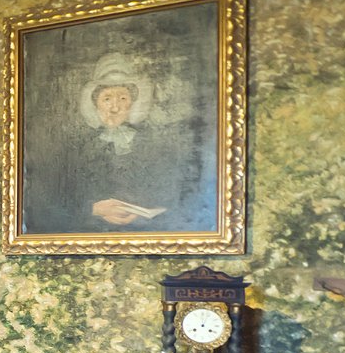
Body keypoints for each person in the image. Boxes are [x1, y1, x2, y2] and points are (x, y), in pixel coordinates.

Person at [23, 53, 215, 235]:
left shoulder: (156, 146)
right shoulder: (76, 150)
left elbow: (180, 198)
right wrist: (92, 210)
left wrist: (141, 212)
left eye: (123, 98)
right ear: (95, 103)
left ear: (133, 103)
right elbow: (48, 203)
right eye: (107, 99)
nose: (115, 108)